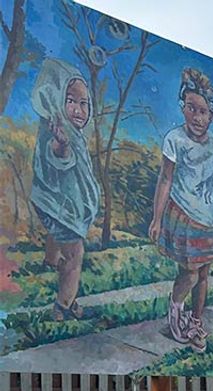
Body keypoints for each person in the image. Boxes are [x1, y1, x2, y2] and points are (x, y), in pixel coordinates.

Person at [148, 67, 213, 353]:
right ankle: (176, 309)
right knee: (189, 273)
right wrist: (157, 218)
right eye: (191, 109)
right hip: (184, 215)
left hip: (210, 219)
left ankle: (196, 322)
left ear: (212, 115)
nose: (197, 117)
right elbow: (165, 179)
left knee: (203, 275)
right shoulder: (175, 140)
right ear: (183, 108)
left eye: (203, 111)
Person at [29, 58, 100, 321]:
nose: (79, 109)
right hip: (57, 204)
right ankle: (64, 305)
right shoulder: (58, 131)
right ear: (58, 99)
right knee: (75, 253)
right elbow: (57, 157)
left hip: (55, 203)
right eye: (71, 101)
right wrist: (62, 145)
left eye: (84, 103)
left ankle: (51, 260)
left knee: (59, 239)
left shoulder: (71, 130)